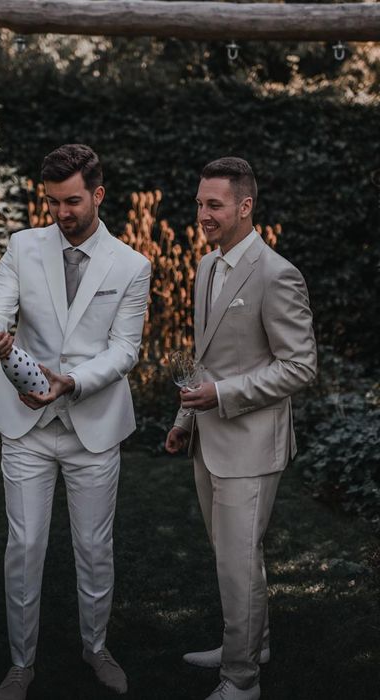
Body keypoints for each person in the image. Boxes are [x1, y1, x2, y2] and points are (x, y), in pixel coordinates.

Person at [0, 144, 151, 700]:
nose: (61, 212)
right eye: (52, 202)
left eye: (72, 201)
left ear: (97, 194)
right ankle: (21, 664)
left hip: (92, 427)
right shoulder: (22, 247)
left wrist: (71, 382)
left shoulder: (132, 265)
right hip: (26, 427)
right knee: (23, 546)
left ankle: (96, 649)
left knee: (95, 547)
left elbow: (125, 351)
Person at [165, 157, 317, 700]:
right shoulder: (207, 266)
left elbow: (300, 366)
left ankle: (242, 679)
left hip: (252, 446)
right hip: (209, 439)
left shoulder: (278, 274)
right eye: (200, 202)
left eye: (214, 205)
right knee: (234, 557)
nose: (202, 214)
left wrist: (223, 396)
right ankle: (252, 644)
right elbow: (208, 357)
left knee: (235, 561)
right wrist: (187, 418)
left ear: (245, 206)